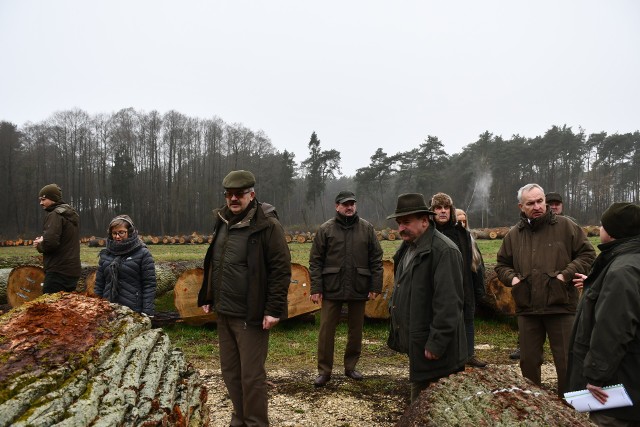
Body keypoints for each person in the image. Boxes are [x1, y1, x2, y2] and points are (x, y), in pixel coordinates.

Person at [197, 170, 291, 427]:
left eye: (239, 194)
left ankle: (256, 422)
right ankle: (239, 418)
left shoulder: (267, 225)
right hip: (224, 311)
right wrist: (208, 295)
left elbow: (281, 270)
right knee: (230, 373)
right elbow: (215, 262)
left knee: (251, 376)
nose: (233, 199)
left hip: (251, 315)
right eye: (229, 194)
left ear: (252, 194)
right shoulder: (223, 221)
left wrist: (273, 309)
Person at [495, 183, 596, 396]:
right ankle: (534, 407)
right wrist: (513, 280)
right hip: (528, 308)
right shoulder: (514, 234)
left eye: (540, 201)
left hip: (561, 306)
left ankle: (569, 409)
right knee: (529, 362)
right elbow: (502, 264)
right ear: (521, 206)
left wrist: (564, 275)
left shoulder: (566, 226)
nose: (537, 206)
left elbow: (587, 254)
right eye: (530, 203)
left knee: (567, 362)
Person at [386, 193, 467, 402]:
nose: (401, 228)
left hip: (436, 353)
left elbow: (449, 302)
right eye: (399, 223)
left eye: (406, 222)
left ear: (424, 220)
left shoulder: (444, 251)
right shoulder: (408, 248)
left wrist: (437, 342)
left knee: (433, 408)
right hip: (419, 345)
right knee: (422, 405)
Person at [566, 202, 640, 426]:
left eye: (602, 224)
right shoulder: (628, 264)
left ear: (613, 231)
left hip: (618, 386)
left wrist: (597, 376)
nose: (599, 228)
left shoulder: (622, 271)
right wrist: (599, 285)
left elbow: (613, 329)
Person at [309, 190, 384, 387]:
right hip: (331, 287)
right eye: (345, 204)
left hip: (359, 286)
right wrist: (316, 287)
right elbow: (315, 261)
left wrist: (375, 284)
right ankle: (324, 371)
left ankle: (351, 367)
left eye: (352, 203)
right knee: (326, 331)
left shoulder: (366, 228)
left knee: (356, 330)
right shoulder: (325, 229)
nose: (349, 207)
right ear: (337, 206)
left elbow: (376, 258)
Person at [430, 194, 487, 368]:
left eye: (445, 208)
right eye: (438, 208)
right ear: (432, 211)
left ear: (451, 210)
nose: (442, 211)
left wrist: (475, 288)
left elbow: (472, 262)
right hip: (438, 288)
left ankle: (469, 354)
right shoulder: (429, 233)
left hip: (463, 284)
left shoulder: (461, 233)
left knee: (467, 320)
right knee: (442, 322)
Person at [94, 215, 156, 316]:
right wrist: (97, 306)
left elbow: (149, 285)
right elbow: (99, 284)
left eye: (121, 232)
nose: (117, 236)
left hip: (133, 310)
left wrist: (147, 311)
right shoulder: (106, 254)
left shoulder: (143, 253)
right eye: (114, 233)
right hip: (108, 308)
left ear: (130, 232)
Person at [33, 183, 81, 293]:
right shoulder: (69, 214)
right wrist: (45, 239)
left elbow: (50, 243)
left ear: (53, 199)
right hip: (72, 271)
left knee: (50, 308)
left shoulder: (55, 215)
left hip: (58, 271)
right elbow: (63, 239)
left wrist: (39, 244)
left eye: (44, 199)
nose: (41, 203)